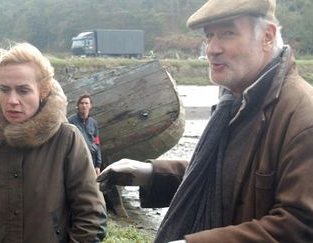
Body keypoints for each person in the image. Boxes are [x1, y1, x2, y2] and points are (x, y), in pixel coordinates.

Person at [97, 0, 313, 242]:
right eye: (209, 36)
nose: (212, 48)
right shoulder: (235, 101)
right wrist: (148, 173)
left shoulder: (303, 118)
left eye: (228, 33)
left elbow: (300, 226)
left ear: (267, 36)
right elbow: (218, 175)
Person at [0, 43, 107, 242]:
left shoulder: (66, 140)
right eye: (5, 89)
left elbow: (91, 214)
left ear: (42, 91)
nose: (12, 100)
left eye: (23, 90)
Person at [68, 94, 102, 175]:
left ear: (90, 106)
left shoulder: (93, 123)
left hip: (91, 161)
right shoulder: (70, 122)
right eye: (82, 103)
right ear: (77, 106)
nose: (84, 105)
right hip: (77, 161)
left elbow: (97, 143)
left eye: (86, 103)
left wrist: (98, 165)